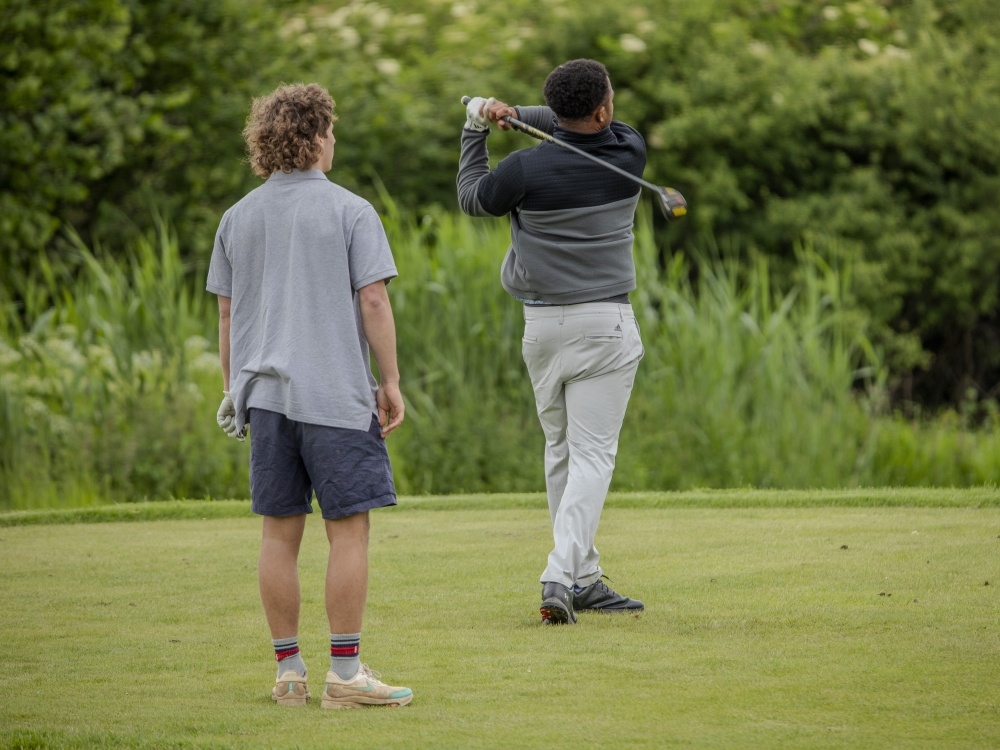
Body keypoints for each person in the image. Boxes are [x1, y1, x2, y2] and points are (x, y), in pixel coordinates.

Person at [207, 83, 412, 707]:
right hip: (335, 397)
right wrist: (392, 382)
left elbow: (227, 316)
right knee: (348, 531)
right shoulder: (351, 210)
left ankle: (289, 674)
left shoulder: (237, 217)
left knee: (278, 535)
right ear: (319, 136)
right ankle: (346, 677)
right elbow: (373, 299)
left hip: (265, 400)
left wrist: (231, 390)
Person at [457, 59, 647, 625]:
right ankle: (560, 574)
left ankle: (583, 577)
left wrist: (478, 126)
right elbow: (579, 120)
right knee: (590, 456)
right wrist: (521, 114)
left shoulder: (522, 171)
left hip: (541, 329)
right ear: (605, 111)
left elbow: (472, 196)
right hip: (605, 326)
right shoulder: (628, 154)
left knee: (562, 452)